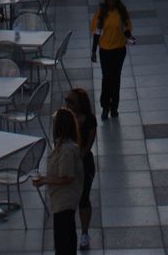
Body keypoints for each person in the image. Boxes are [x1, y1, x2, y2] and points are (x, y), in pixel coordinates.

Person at [32, 107, 85, 255]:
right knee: (63, 240)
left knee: (64, 243)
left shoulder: (67, 150)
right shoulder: (64, 146)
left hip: (65, 202)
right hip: (60, 202)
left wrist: (44, 180)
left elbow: (67, 177)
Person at [90, 0, 134, 120]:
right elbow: (97, 34)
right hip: (105, 51)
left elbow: (126, 29)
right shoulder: (101, 13)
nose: (112, 1)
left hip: (119, 50)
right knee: (106, 78)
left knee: (116, 78)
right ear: (106, 0)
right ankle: (105, 107)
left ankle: (114, 107)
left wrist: (131, 38)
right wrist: (93, 51)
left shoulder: (122, 12)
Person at [66, 87, 98, 249]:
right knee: (69, 200)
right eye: (67, 101)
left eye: (71, 101)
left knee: (83, 198)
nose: (68, 104)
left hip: (84, 163)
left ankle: (84, 233)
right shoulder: (64, 118)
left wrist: (77, 157)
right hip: (68, 163)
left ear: (80, 104)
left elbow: (88, 145)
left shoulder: (90, 120)